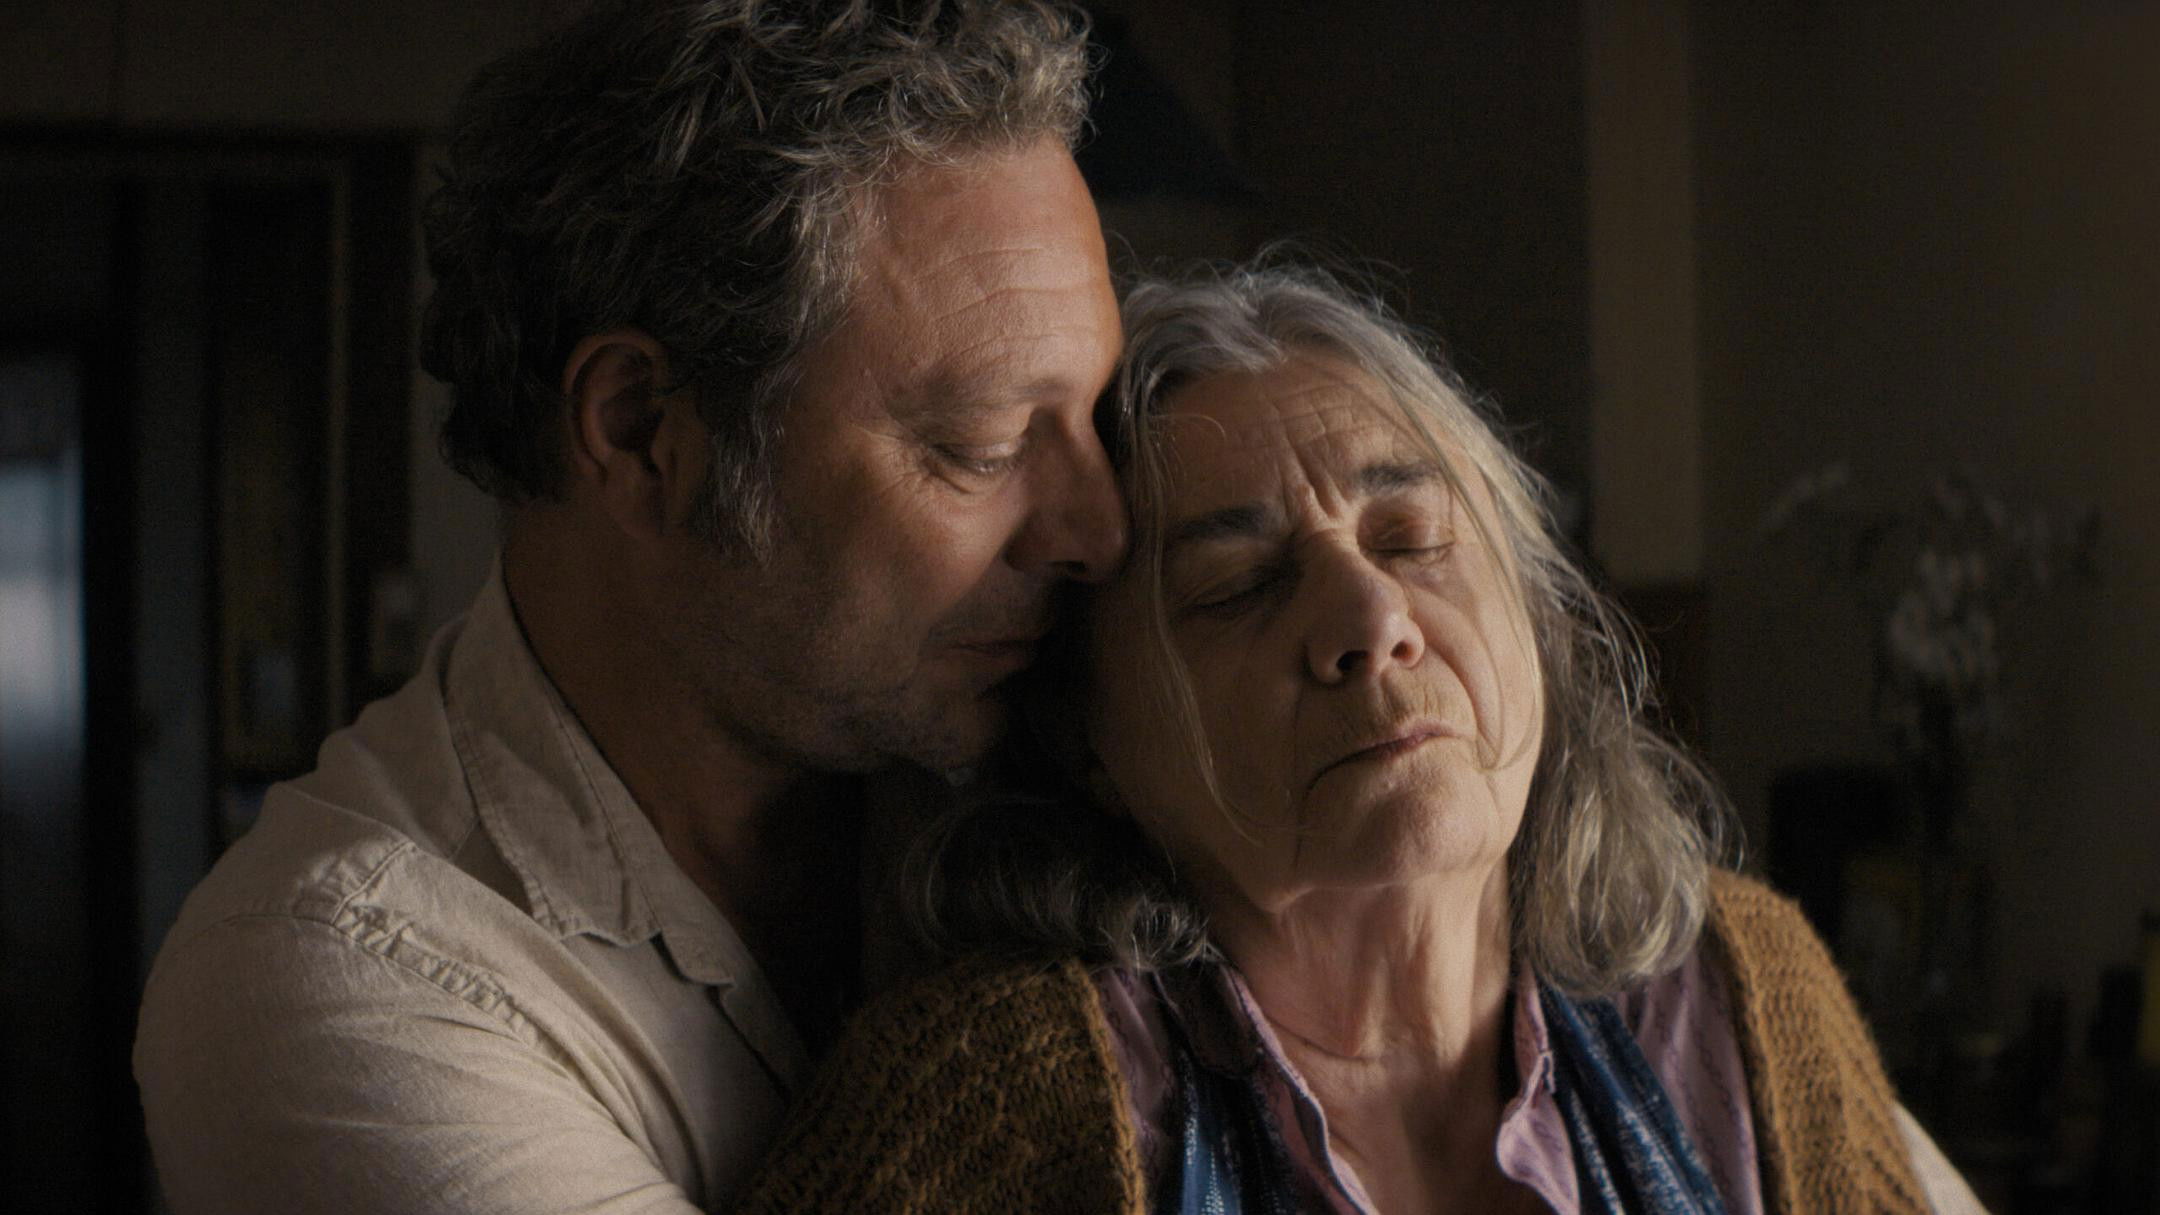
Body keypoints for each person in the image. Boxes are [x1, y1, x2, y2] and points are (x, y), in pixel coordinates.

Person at [132, 2, 1124, 1211]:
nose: (1099, 530)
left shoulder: (1059, 770)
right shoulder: (327, 985)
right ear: (642, 430)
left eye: (1098, 421)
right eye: (982, 446)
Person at [728, 263, 1987, 1213]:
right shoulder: (989, 1103)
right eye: (1237, 587)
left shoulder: (1736, 998)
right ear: (1086, 740)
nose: (1373, 622)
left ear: (1534, 616)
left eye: (1413, 540)